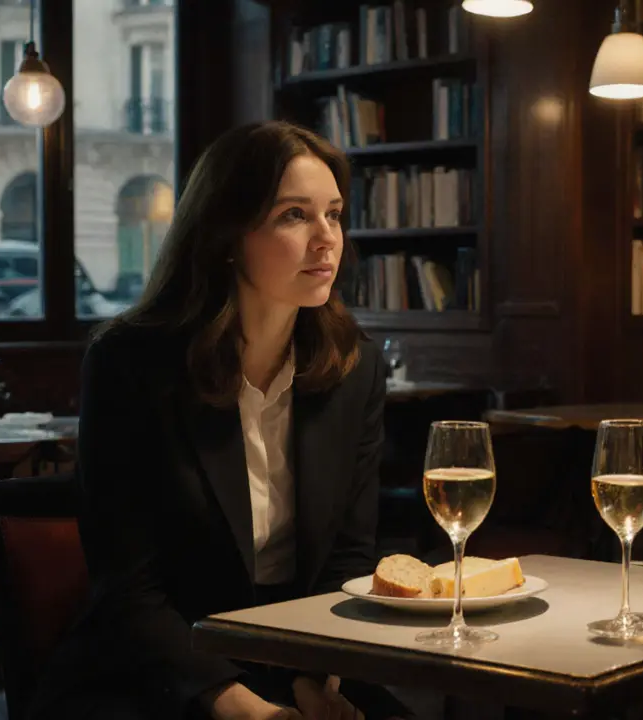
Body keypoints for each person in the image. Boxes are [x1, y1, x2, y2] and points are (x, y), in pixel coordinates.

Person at [30, 121, 410, 720]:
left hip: (298, 650)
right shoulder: (130, 364)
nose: (327, 240)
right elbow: (128, 590)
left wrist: (314, 678)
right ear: (227, 233)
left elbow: (348, 561)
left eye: (334, 214)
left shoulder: (353, 369)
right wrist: (243, 707)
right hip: (163, 664)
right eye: (294, 215)